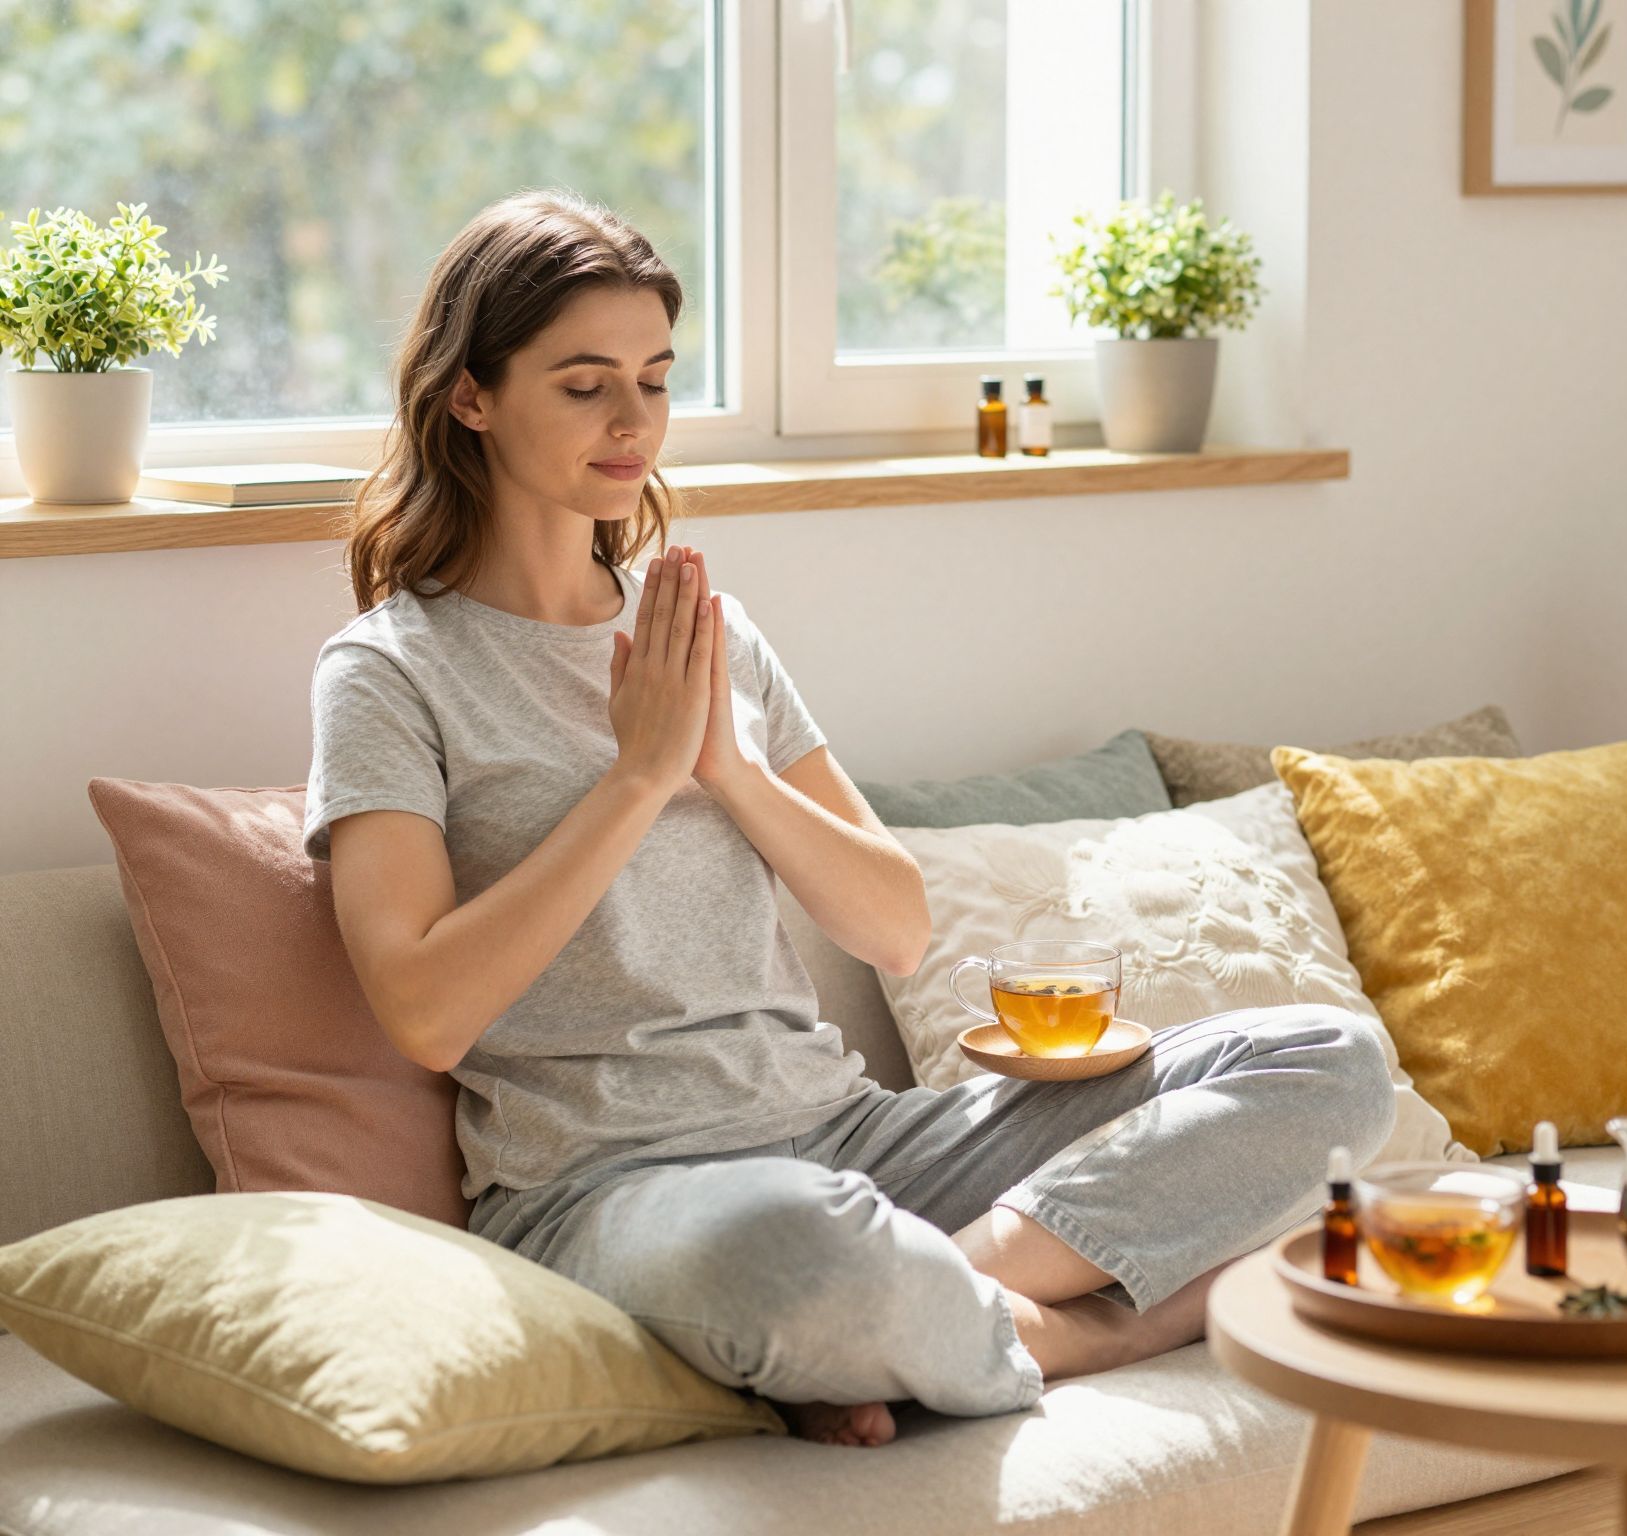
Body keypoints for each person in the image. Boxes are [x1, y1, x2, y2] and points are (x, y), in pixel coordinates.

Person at [303, 188, 1396, 1449]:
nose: (634, 424)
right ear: (470, 396)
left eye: (655, 381)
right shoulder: (388, 671)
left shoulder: (705, 624)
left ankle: (934, 1304)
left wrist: (730, 771)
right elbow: (425, 1013)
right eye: (585, 384)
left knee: (1328, 1057)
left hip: (851, 1138)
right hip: (613, 1188)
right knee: (799, 1251)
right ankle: (1105, 1321)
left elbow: (895, 926)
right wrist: (637, 779)